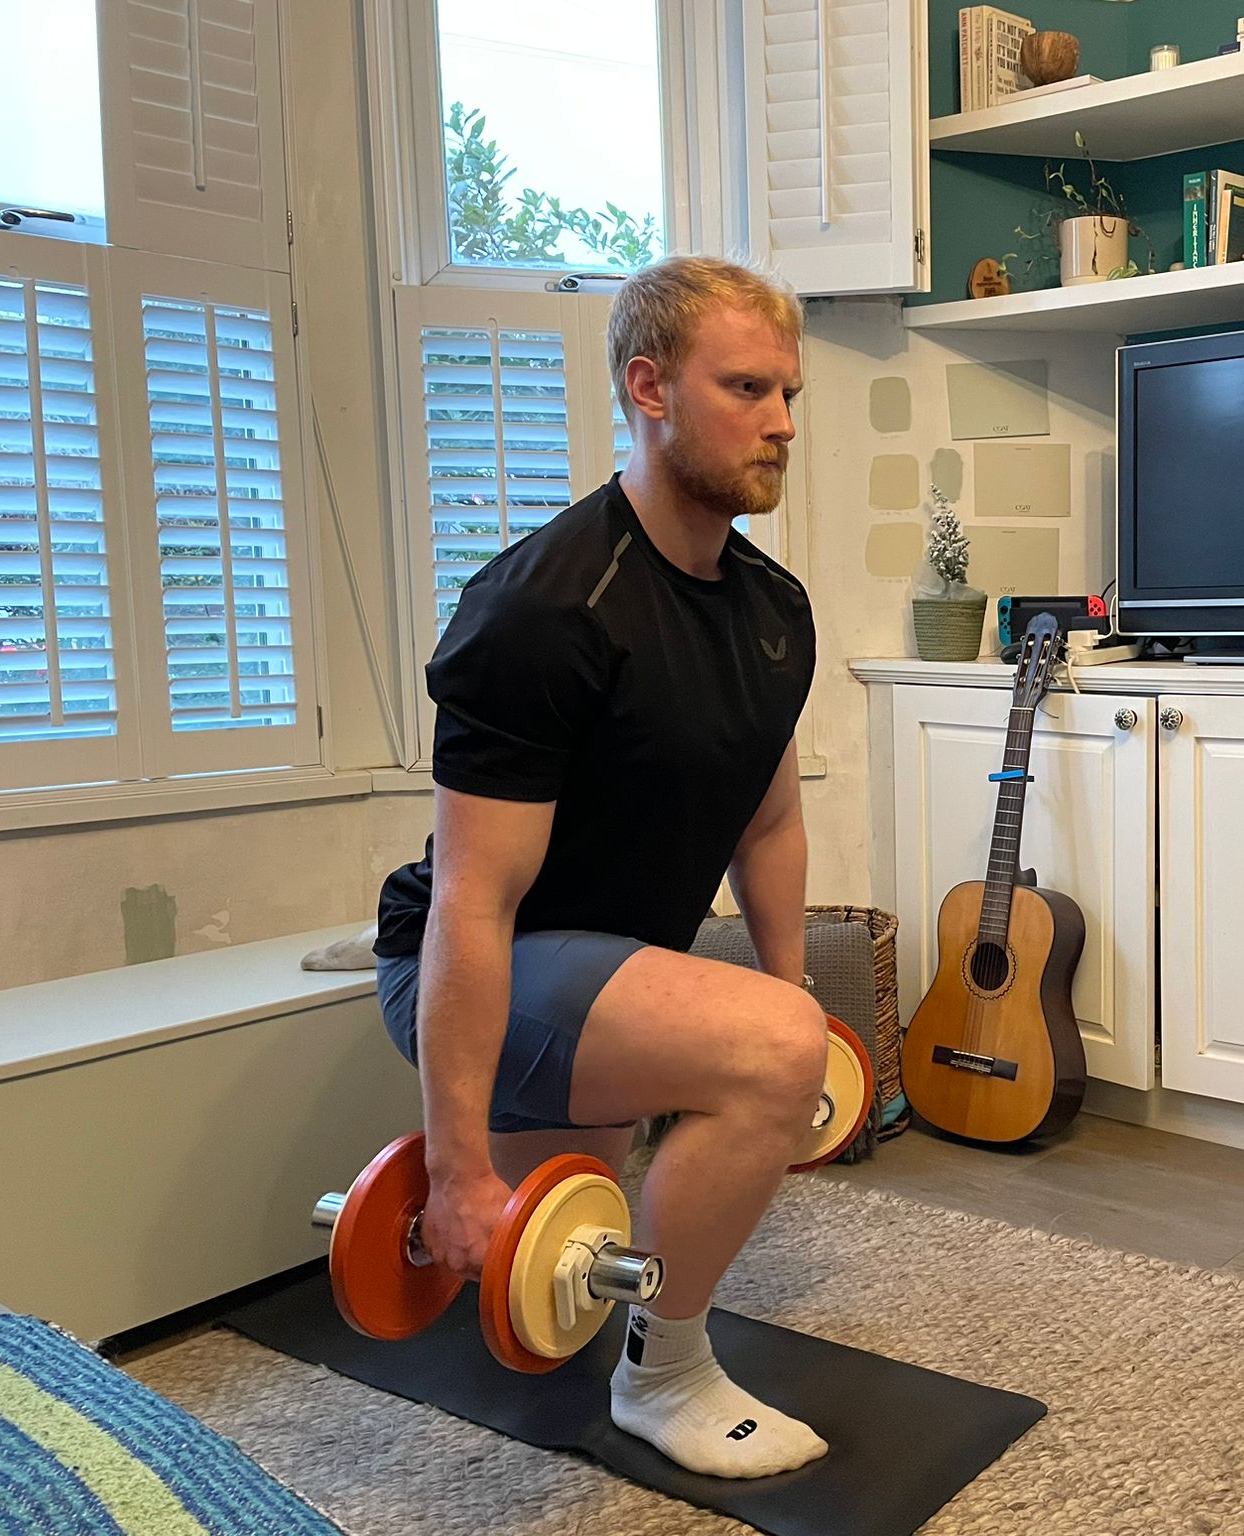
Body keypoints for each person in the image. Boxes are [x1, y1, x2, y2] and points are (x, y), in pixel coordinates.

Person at [373, 255, 828, 1480]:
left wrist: (803, 1001)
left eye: (789, 392)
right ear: (648, 388)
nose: (782, 422)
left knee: (534, 1315)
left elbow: (768, 820)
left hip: (605, 967)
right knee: (754, 1064)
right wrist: (458, 1165)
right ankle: (668, 1373)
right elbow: (474, 897)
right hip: (481, 964)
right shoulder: (545, 610)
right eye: (747, 387)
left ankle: (565, 1249)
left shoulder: (772, 608)